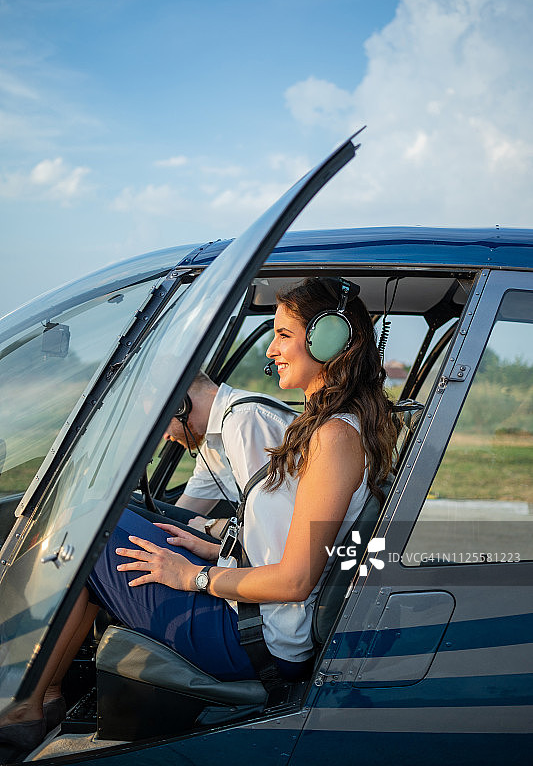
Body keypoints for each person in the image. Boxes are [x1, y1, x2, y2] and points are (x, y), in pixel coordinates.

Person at [0, 277, 397, 762]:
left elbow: (295, 580)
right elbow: (287, 536)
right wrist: (219, 546)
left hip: (261, 640)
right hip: (260, 621)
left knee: (93, 529)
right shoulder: (322, 427)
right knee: (105, 521)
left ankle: (26, 707)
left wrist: (194, 576)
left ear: (329, 341)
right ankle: (43, 699)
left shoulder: (334, 436)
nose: (271, 349)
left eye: (283, 335)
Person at [154, 372, 295, 538]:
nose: (165, 436)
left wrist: (210, 526)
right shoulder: (212, 445)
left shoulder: (244, 422)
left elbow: (273, 527)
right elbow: (183, 514)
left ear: (180, 407)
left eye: (162, 421)